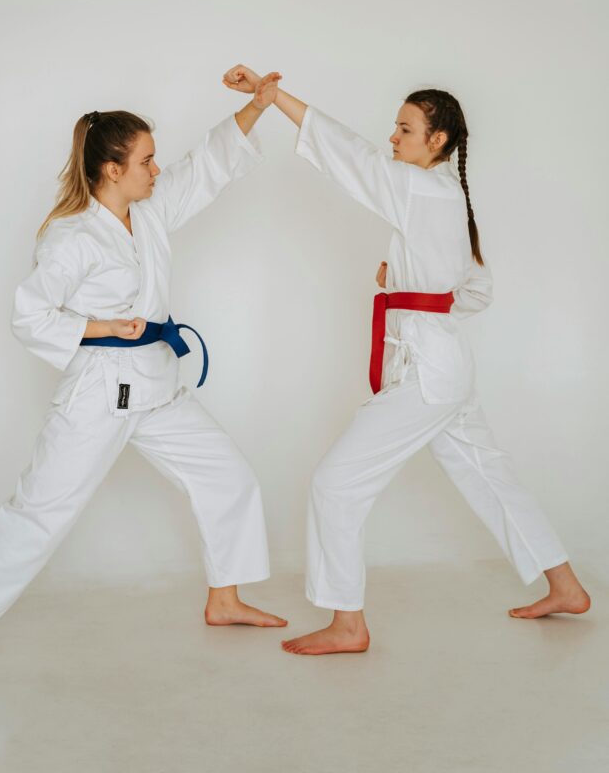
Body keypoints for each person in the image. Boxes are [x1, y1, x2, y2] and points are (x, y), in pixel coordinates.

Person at [223, 64, 591, 657]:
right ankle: (566, 587)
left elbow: (350, 156)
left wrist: (276, 99)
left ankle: (348, 624)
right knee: (490, 476)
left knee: (335, 484)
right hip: (444, 361)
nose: (392, 138)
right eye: (395, 128)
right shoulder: (447, 197)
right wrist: (408, 286)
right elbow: (476, 290)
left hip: (426, 369)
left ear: (437, 140)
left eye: (404, 129)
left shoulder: (421, 188)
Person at [0, 79, 286, 678]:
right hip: (99, 394)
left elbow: (205, 168)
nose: (156, 169)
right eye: (146, 161)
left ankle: (224, 599)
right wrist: (100, 326)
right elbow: (29, 315)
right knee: (39, 511)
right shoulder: (71, 237)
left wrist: (257, 105)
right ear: (112, 170)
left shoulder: (148, 212)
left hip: (158, 386)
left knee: (228, 476)